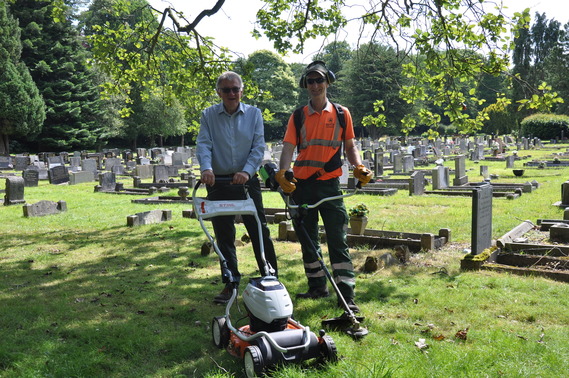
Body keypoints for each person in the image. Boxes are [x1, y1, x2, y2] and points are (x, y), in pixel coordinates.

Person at [276, 61, 372, 313]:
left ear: (328, 82)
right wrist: (283, 173)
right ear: (305, 85)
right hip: (302, 187)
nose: (315, 85)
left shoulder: (342, 113)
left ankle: (347, 296)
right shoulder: (298, 116)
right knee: (308, 240)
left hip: (329, 186)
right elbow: (288, 147)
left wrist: (358, 166)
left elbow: (350, 145)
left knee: (337, 240)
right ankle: (317, 286)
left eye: (319, 80)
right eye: (310, 81)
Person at [196, 71, 278, 304]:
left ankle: (270, 277)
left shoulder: (254, 114)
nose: (231, 93)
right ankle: (230, 282)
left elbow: (258, 146)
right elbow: (204, 143)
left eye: (235, 89)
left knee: (259, 230)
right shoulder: (208, 115)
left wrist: (247, 171)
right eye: (226, 90)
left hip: (246, 180)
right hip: (218, 181)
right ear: (218, 92)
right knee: (224, 234)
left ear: (242, 91)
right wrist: (206, 169)